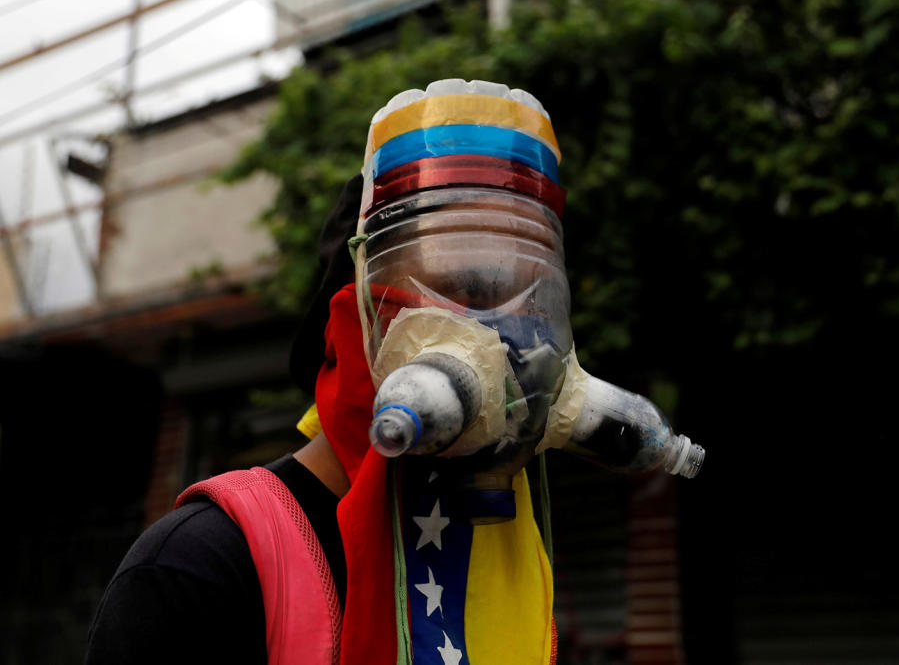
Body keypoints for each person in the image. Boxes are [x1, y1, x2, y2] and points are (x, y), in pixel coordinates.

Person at [86, 79, 702, 665]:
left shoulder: (507, 556)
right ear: (361, 318)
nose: (518, 345)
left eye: (532, 296)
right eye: (470, 286)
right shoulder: (201, 569)